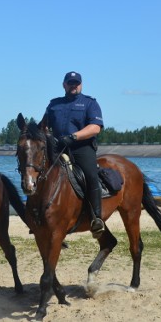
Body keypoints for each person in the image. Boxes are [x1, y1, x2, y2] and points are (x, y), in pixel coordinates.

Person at [43, 71, 105, 238]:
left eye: (76, 83)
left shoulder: (89, 103)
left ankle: (96, 218)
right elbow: (44, 126)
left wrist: (73, 137)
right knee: (39, 173)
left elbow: (95, 127)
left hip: (81, 148)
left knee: (91, 175)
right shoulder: (54, 104)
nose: (74, 85)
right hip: (57, 148)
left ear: (81, 85)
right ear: (64, 85)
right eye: (70, 83)